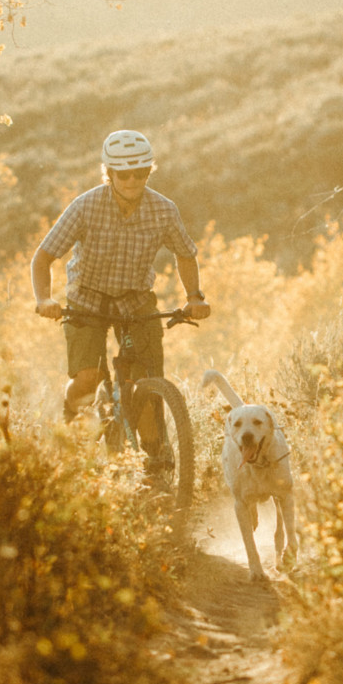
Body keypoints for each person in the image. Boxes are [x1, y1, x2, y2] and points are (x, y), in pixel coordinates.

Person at [30, 129, 211, 471]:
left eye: (140, 172)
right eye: (123, 173)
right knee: (87, 378)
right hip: (87, 299)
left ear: (149, 171)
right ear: (108, 173)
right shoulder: (85, 207)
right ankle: (71, 421)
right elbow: (43, 258)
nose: (132, 180)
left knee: (144, 383)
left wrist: (194, 296)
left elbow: (186, 254)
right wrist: (44, 299)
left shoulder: (163, 210)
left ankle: (157, 459)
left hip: (135, 300)